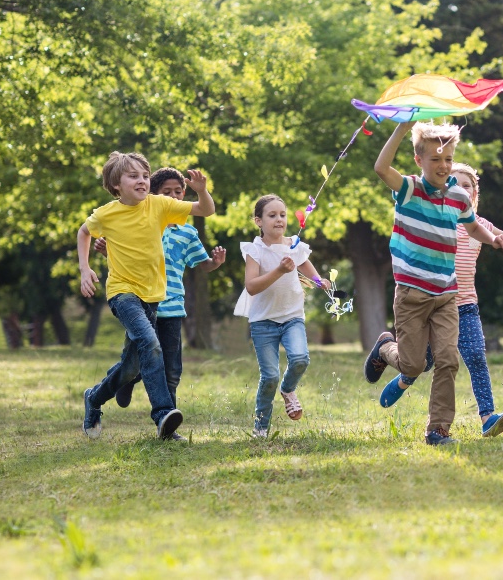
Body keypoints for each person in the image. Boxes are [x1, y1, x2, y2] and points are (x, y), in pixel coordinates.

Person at [378, 162, 503, 437]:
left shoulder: (479, 225)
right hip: (429, 302)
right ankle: (390, 357)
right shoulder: (435, 217)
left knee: (475, 358)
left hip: (465, 306)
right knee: (420, 363)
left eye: (467, 185)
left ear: (474, 194)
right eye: (454, 184)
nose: (461, 189)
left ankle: (487, 418)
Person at [364, 121, 503, 446]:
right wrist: (402, 128)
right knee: (414, 365)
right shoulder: (409, 189)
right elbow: (380, 167)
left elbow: (473, 229)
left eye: (448, 159)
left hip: (446, 295)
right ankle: (387, 348)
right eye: (436, 159)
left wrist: (494, 239)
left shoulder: (459, 196)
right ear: (419, 160)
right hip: (412, 296)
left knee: (448, 360)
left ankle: (438, 430)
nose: (444, 166)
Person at [79, 152, 216, 440]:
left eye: (144, 175)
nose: (142, 180)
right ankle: (163, 414)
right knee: (151, 345)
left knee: (131, 367)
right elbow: (84, 231)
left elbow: (205, 210)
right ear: (116, 185)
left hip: (153, 296)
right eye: (133, 176)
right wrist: (85, 268)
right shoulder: (107, 213)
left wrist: (202, 191)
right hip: (122, 293)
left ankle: (94, 397)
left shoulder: (160, 205)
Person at [234, 194, 324, 438]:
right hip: (263, 322)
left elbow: (305, 265)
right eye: (272, 215)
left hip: (292, 316)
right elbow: (251, 286)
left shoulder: (294, 244)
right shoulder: (255, 250)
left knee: (300, 359)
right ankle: (261, 427)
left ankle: (288, 389)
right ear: (258, 221)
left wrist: (319, 281)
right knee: (270, 375)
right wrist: (279, 270)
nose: (279, 219)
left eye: (282, 215)